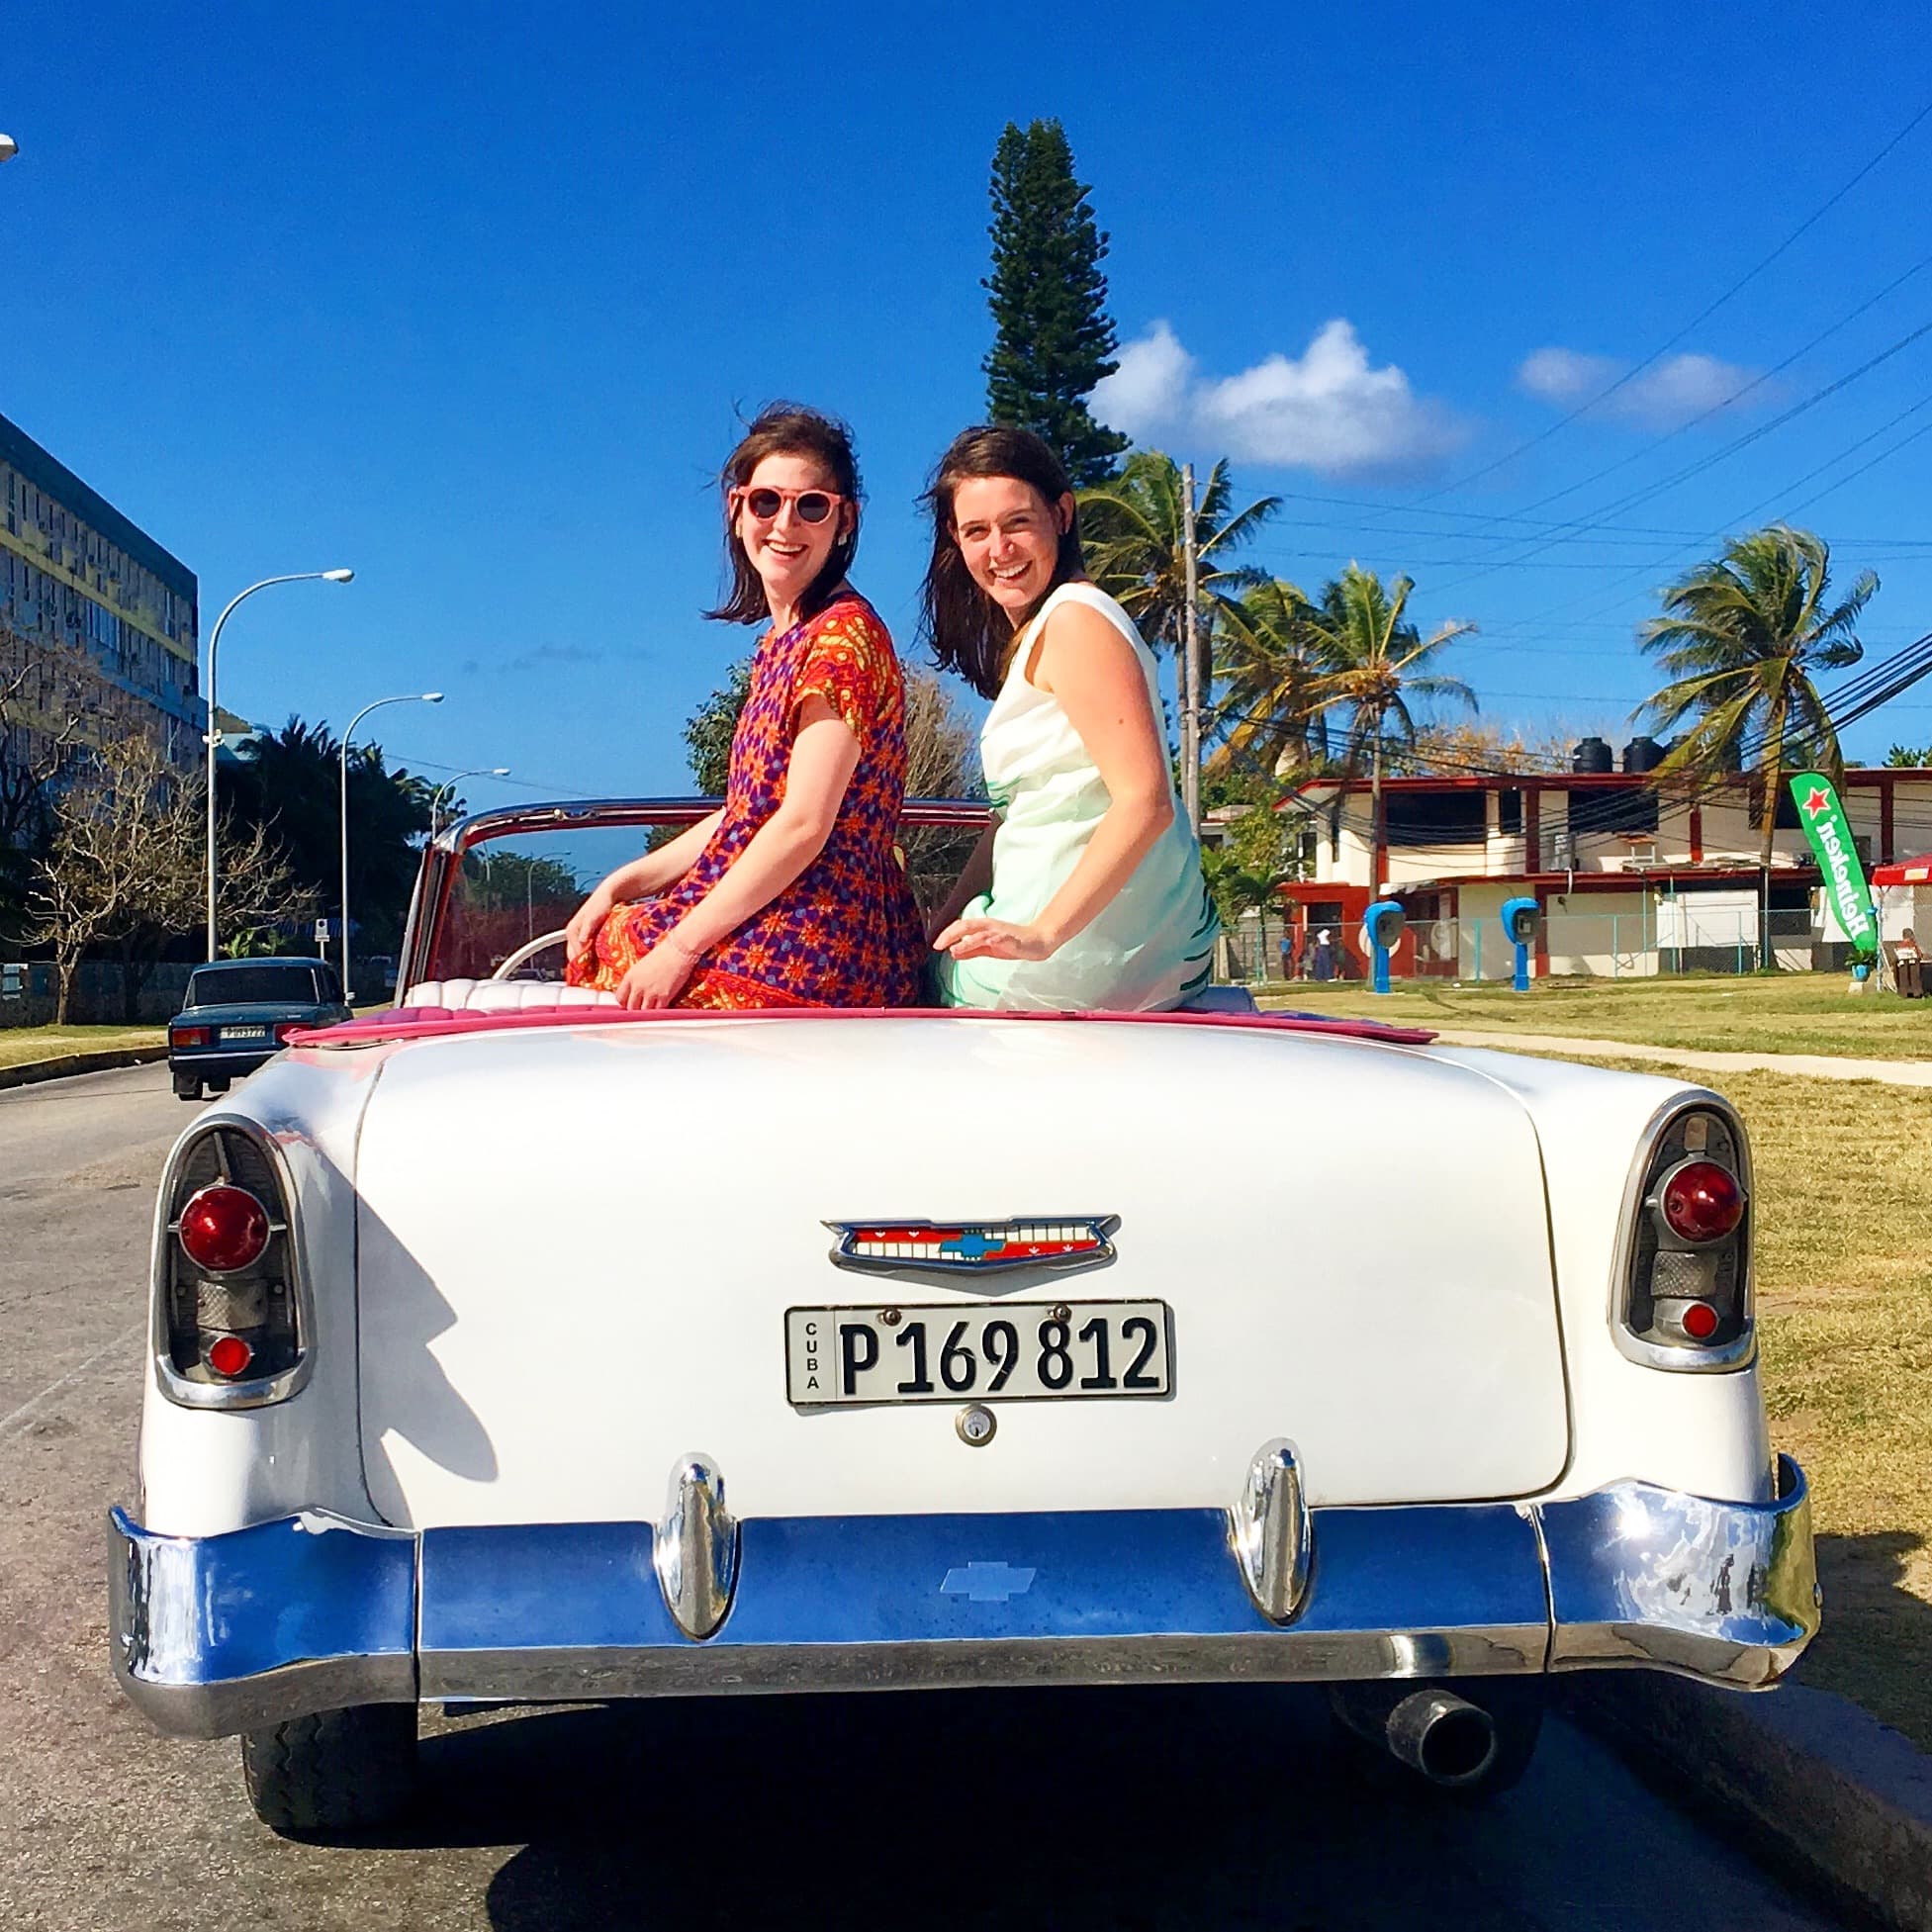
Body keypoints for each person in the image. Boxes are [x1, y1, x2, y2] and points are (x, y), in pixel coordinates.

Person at [565, 405, 924, 1009]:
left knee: (623, 958)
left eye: (812, 505)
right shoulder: (786, 640)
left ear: (844, 522)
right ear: (738, 511)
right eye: (766, 502)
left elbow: (804, 823)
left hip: (821, 937)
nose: (786, 523)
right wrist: (621, 881)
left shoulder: (843, 640)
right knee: (611, 932)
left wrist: (681, 949)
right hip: (785, 911)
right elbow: (748, 814)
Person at [921, 425, 1218, 1011]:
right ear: (956, 540)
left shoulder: (1077, 622)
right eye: (977, 531)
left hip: (1080, 954)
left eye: (1017, 523)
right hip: (1098, 945)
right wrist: (941, 930)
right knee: (919, 967)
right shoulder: (1053, 627)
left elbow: (1147, 801)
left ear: (1061, 514)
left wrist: (1042, 935)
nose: (998, 550)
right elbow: (1016, 816)